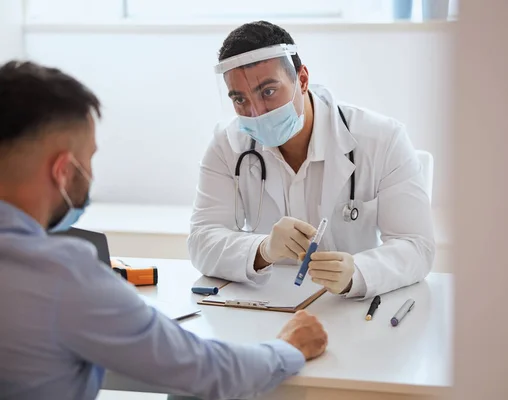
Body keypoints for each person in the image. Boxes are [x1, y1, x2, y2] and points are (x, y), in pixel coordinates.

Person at [0, 61, 327, 400]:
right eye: (89, 159)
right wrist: (289, 347)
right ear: (64, 171)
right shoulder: (63, 276)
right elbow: (206, 370)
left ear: (302, 80)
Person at [188, 21, 435, 298]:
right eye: (240, 100)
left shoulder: (382, 139)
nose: (255, 112)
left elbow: (417, 246)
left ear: (302, 80)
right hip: (266, 307)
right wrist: (263, 249)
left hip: (349, 310)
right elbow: (201, 240)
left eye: (267, 92)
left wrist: (359, 273)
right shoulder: (227, 145)